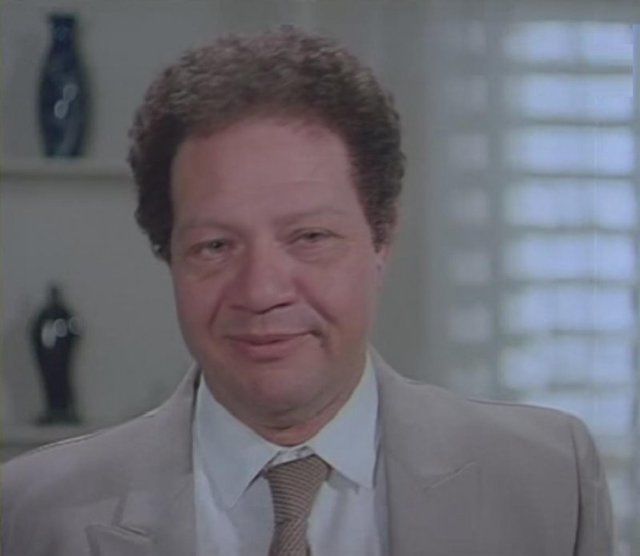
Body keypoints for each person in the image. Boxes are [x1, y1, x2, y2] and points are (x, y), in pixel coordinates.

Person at [2, 27, 613, 556]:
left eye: (310, 237)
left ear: (381, 238)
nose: (261, 290)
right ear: (169, 255)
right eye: (215, 246)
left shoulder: (547, 480)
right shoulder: (32, 515)